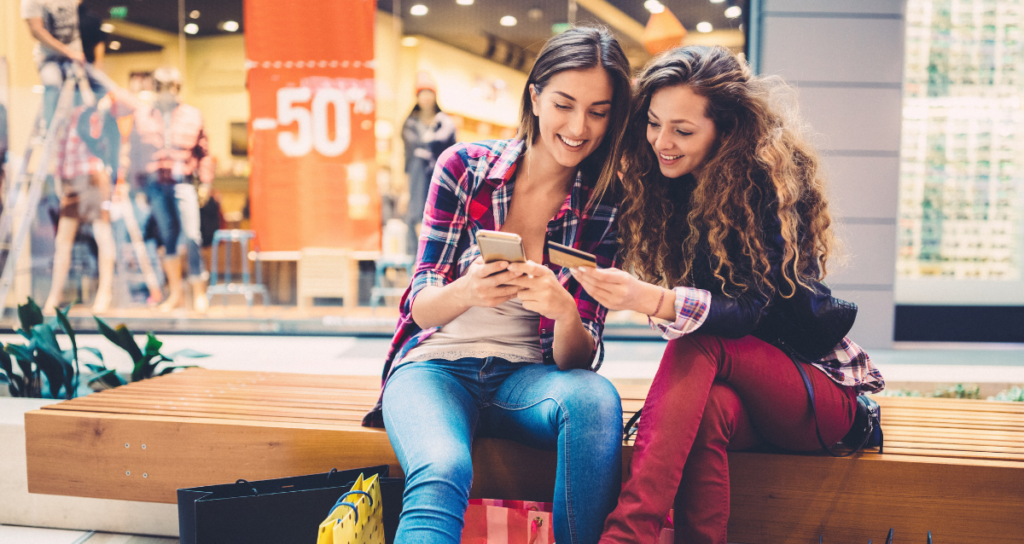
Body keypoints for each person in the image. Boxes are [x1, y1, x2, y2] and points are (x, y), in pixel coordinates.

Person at [569, 46, 886, 544]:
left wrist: (651, 299)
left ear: (727, 129)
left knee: (698, 343)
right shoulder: (675, 188)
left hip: (821, 401)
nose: (662, 142)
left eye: (683, 130)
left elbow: (743, 316)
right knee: (704, 410)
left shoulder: (760, 183)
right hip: (751, 404)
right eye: (653, 123)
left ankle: (627, 535)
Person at [363, 27, 632, 544]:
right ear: (534, 96)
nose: (579, 127)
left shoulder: (607, 203)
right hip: (434, 369)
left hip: (527, 382)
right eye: (564, 104)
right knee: (441, 468)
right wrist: (467, 290)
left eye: (598, 111)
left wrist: (565, 311)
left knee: (596, 400)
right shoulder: (463, 168)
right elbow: (419, 307)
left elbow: (578, 362)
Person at [126, 67, 213, 312]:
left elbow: (204, 153)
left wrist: (205, 183)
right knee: (168, 238)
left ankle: (198, 292)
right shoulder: (143, 116)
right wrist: (138, 188)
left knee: (192, 235)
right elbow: (135, 154)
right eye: (162, 87)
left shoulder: (192, 115)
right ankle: (175, 293)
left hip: (183, 182)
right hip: (155, 184)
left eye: (171, 87)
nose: (167, 93)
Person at [43, 88, 133, 314]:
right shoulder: (66, 115)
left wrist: (104, 96)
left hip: (94, 179)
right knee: (63, 240)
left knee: (103, 236)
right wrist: (59, 180)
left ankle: (105, 292)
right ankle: (55, 294)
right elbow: (60, 150)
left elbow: (127, 108)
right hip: (72, 181)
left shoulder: (100, 113)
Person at [402, 71, 457, 254]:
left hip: (442, 179)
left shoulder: (446, 124)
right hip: (417, 182)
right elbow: (407, 159)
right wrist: (403, 190)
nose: (425, 98)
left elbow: (455, 156)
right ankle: (418, 263)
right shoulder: (410, 125)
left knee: (441, 218)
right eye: (421, 93)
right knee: (416, 219)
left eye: (429, 93)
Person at [22, 0, 85, 126]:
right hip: (49, 58)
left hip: (76, 60)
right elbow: (36, 30)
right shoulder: (31, 2)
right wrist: (68, 52)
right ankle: (49, 133)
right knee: (52, 85)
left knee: (95, 91)